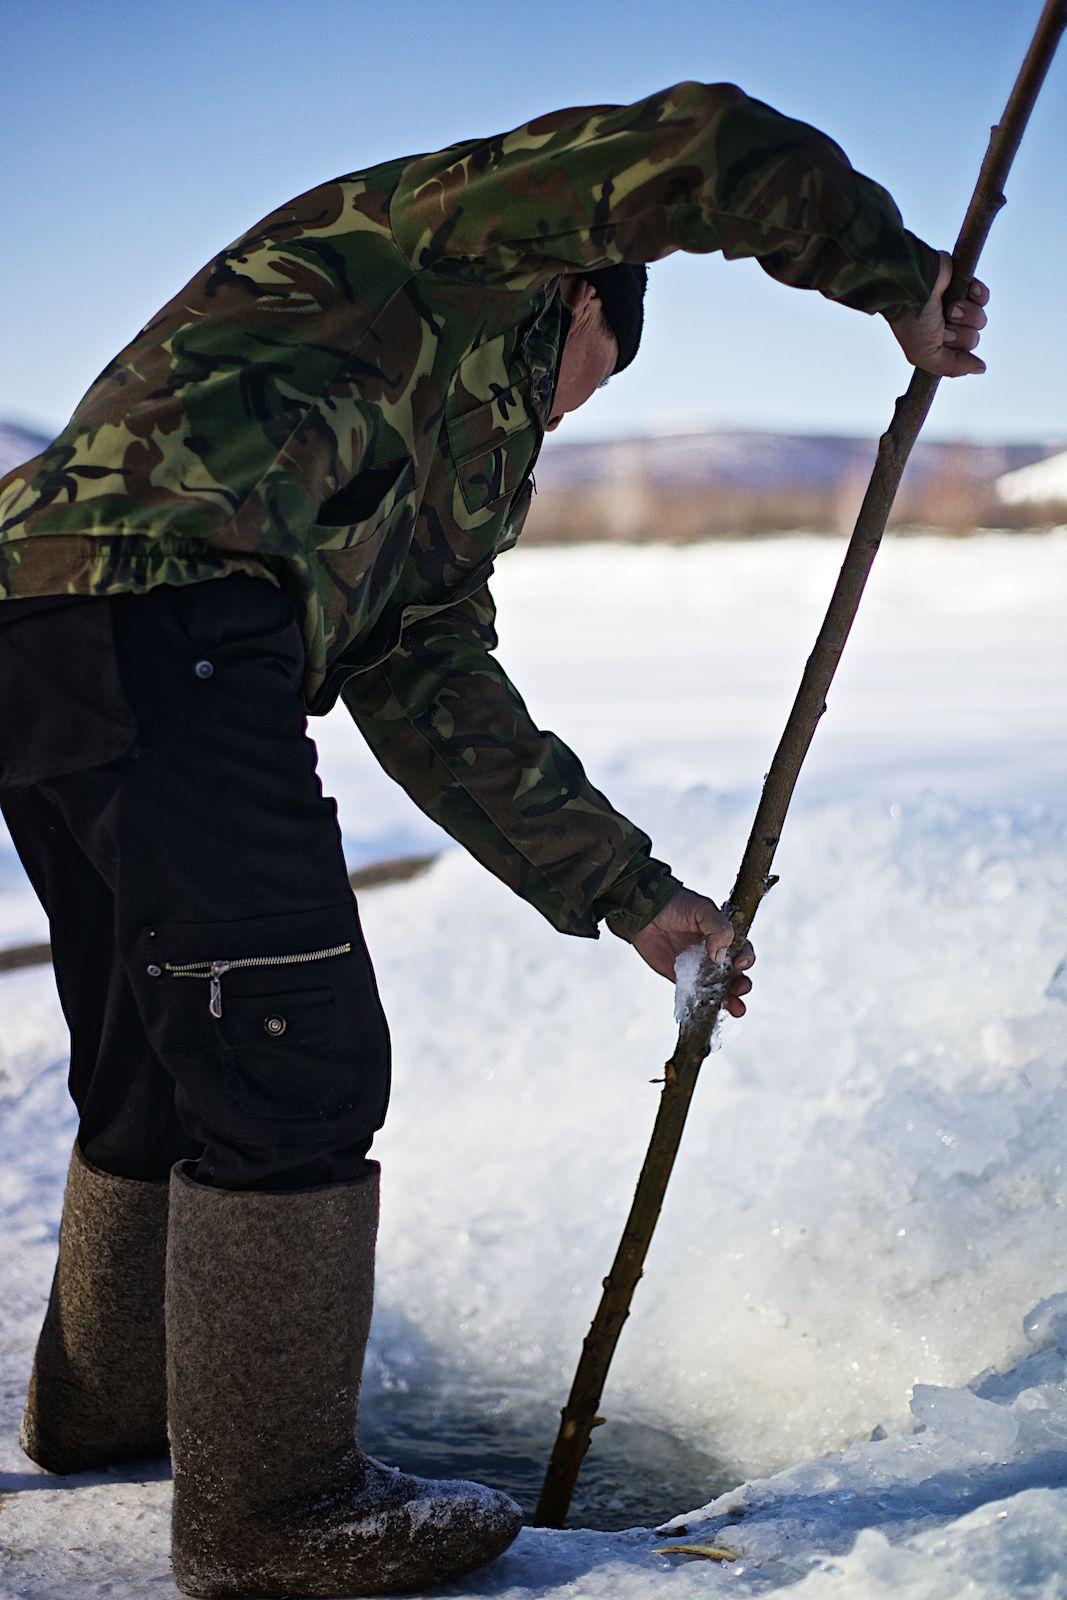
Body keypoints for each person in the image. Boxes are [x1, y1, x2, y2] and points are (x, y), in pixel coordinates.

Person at [0, 78, 987, 1597]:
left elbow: (438, 691)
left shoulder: (459, 463)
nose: (573, 405)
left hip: (56, 626)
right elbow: (702, 143)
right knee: (293, 1049)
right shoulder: (472, 241)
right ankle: (269, 1515)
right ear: (587, 292)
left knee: (162, 1039)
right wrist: (897, 284)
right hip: (165, 605)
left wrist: (640, 901)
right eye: (594, 364)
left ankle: (110, 1404)